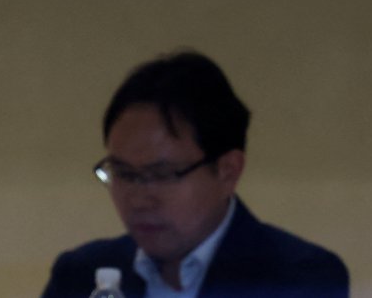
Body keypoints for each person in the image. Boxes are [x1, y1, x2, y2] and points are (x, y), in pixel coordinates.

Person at [41, 50, 349, 298]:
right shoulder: (80, 275)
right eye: (123, 173)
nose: (138, 198)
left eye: (161, 174)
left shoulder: (298, 276)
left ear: (228, 171)